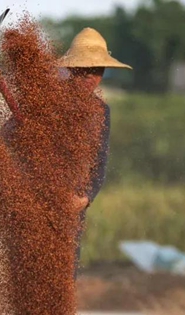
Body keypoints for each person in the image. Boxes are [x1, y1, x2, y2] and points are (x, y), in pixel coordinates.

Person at [56, 28, 132, 278]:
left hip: (71, 208)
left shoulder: (101, 111)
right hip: (37, 201)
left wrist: (85, 198)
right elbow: (10, 134)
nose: (90, 75)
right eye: (84, 68)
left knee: (65, 277)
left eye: (97, 70)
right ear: (71, 69)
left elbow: (99, 164)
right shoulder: (47, 100)